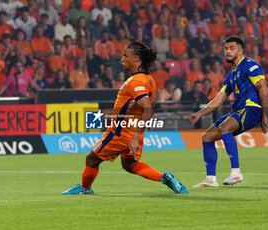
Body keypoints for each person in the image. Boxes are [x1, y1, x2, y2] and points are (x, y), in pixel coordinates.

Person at [62, 41, 187, 195]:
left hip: (121, 133)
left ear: (137, 59)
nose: (122, 59)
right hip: (134, 132)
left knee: (92, 159)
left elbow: (147, 108)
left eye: (125, 55)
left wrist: (134, 136)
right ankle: (164, 177)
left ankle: (85, 189)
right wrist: (138, 133)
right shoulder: (149, 79)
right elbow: (152, 108)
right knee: (129, 164)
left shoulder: (136, 82)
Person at [187, 36, 268, 187]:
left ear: (241, 50)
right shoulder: (231, 74)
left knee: (224, 128)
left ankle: (236, 173)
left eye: (232, 48)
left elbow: (263, 89)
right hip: (239, 110)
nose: (227, 51)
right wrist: (199, 114)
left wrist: (265, 115)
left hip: (252, 108)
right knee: (207, 136)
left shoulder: (250, 65)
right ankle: (211, 179)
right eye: (225, 48)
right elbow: (219, 99)